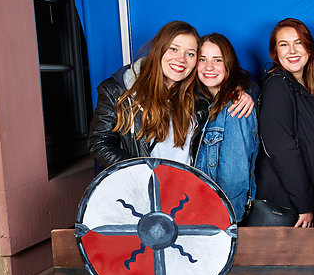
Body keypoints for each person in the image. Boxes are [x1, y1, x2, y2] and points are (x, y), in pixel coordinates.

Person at [88, 20, 255, 170]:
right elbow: (100, 143)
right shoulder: (118, 90)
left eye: (190, 53)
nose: (181, 59)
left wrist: (243, 92)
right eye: (174, 49)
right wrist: (142, 174)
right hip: (140, 189)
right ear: (159, 50)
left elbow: (233, 79)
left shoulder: (198, 94)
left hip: (188, 190)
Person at [255, 18, 314, 228]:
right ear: (275, 52)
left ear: (309, 47)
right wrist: (304, 205)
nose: (292, 50)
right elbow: (283, 151)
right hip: (294, 204)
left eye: (298, 43)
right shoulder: (277, 86)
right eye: (284, 44)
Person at [193, 33, 260, 222]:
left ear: (229, 64)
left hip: (218, 218)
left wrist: (226, 223)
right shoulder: (194, 101)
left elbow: (234, 178)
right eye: (202, 59)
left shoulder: (235, 107)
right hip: (190, 211)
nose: (209, 67)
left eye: (218, 60)